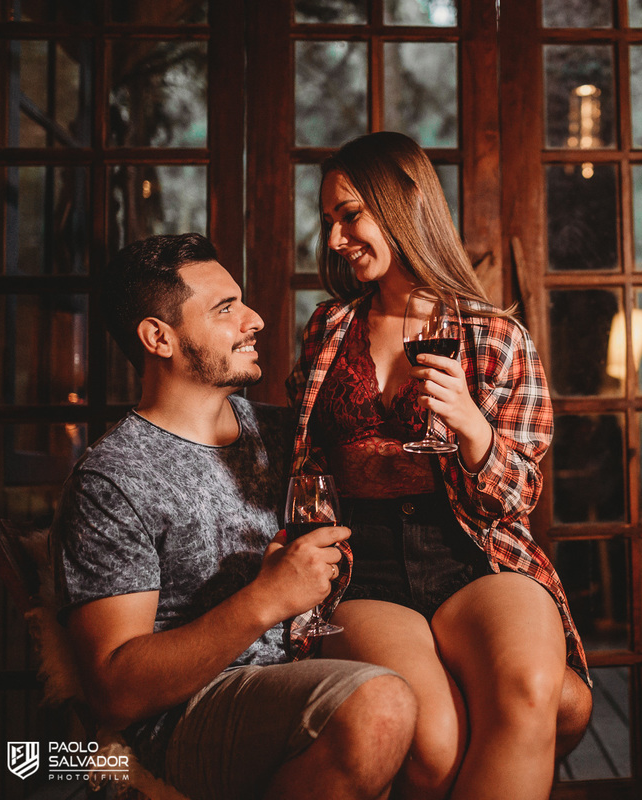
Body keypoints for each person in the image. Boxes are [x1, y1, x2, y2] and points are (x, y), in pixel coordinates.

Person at [50, 233, 417, 800]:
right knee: (379, 705)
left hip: (307, 670)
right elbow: (115, 691)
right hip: (188, 714)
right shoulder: (113, 479)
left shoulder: (285, 434)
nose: (255, 320)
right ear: (158, 337)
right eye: (225, 309)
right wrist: (266, 598)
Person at [289, 131, 591, 800]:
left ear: (403, 206)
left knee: (531, 689)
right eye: (329, 220)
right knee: (433, 744)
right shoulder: (328, 329)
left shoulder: (496, 335)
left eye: (349, 215)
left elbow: (517, 497)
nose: (335, 239)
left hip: (474, 550)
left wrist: (473, 428)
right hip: (362, 561)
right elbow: (304, 462)